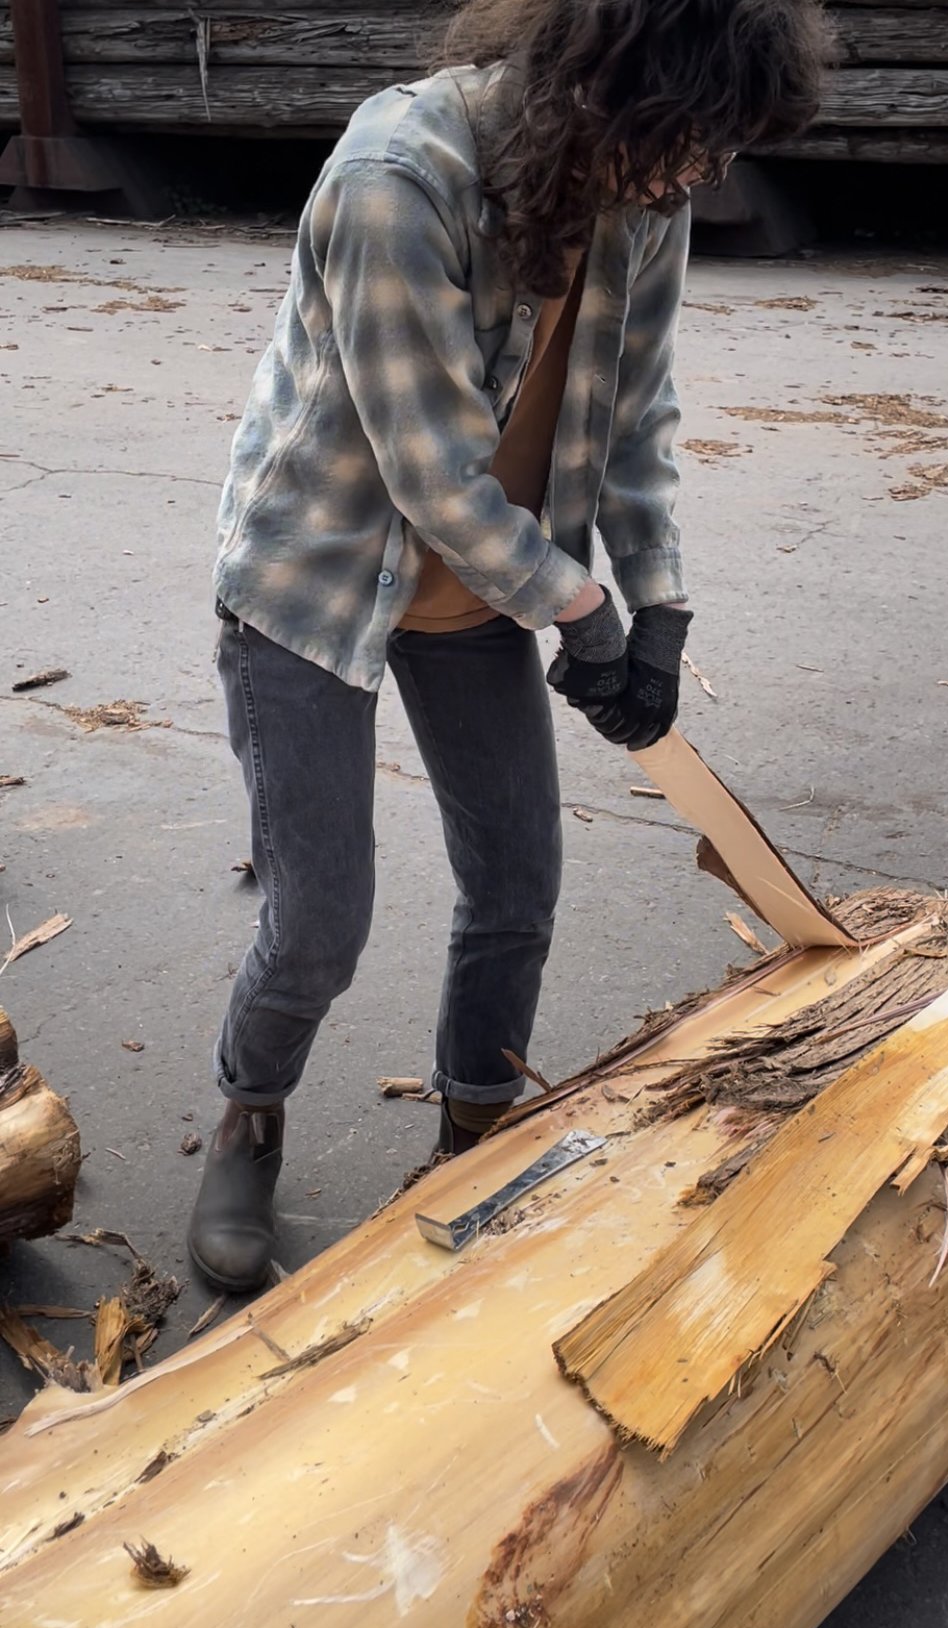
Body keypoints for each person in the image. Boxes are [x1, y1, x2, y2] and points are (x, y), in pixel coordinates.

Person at [187, 0, 830, 1291]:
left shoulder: (647, 190)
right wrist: (575, 606)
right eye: (693, 143)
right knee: (319, 920)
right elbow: (430, 477)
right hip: (316, 581)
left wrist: (656, 603)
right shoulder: (394, 185)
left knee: (518, 878)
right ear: (610, 92)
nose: (706, 175)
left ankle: (472, 1133)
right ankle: (248, 1114)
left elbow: (636, 417)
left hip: (489, 591)